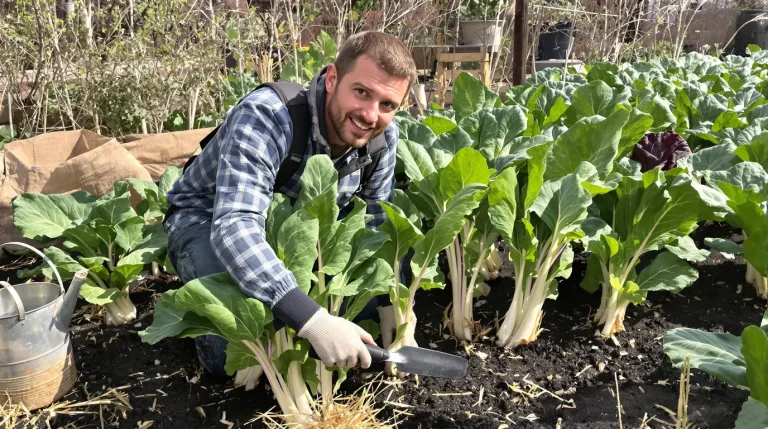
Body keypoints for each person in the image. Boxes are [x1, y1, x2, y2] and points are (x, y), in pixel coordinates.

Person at [163, 31, 417, 376]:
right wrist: (314, 321)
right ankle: (195, 302)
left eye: (387, 105)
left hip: (296, 233)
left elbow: (375, 222)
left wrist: (393, 305)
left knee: (364, 328)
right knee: (240, 355)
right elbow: (235, 224)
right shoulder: (268, 115)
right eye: (361, 92)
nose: (371, 115)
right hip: (209, 220)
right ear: (332, 79)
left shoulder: (382, 138)